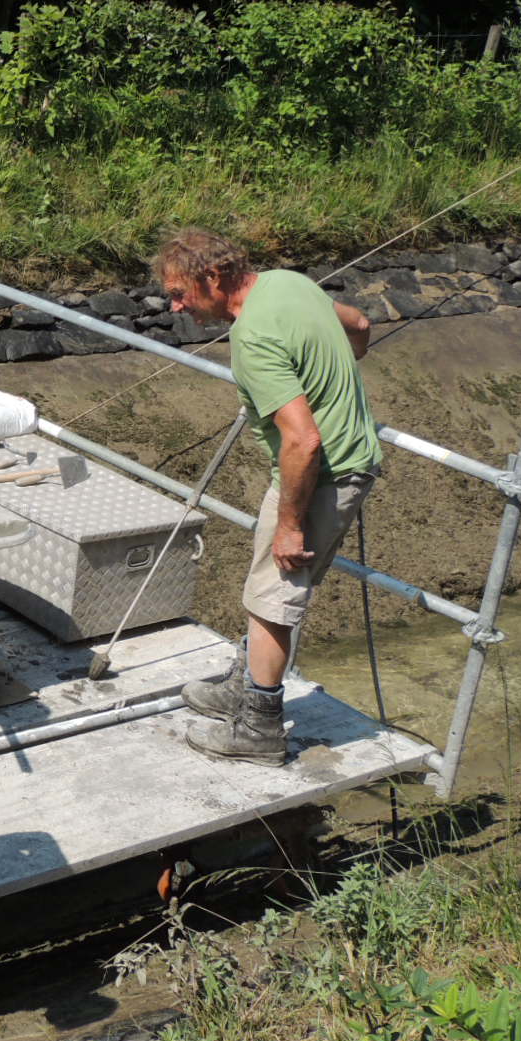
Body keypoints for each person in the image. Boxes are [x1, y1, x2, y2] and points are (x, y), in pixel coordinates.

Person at [159, 228, 381, 766]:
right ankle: (245, 684)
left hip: (320, 475)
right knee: (268, 588)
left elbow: (303, 440)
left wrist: (290, 525)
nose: (175, 307)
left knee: (272, 598)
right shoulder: (288, 282)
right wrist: (335, 373)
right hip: (343, 462)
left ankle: (259, 727)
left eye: (180, 293)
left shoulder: (253, 337)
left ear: (213, 278)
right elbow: (359, 324)